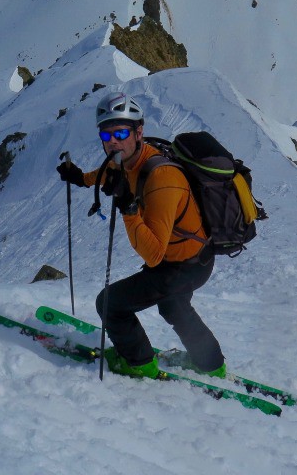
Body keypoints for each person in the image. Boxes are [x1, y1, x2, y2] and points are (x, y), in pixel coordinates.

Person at [56, 91, 226, 379]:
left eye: (121, 133)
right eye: (106, 134)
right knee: (173, 305)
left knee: (110, 304)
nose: (113, 141)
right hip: (193, 258)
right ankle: (211, 365)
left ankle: (138, 363)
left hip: (182, 265)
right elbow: (107, 173)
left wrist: (128, 209)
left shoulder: (162, 179)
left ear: (139, 133)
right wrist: (80, 178)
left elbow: (153, 255)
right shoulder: (125, 160)